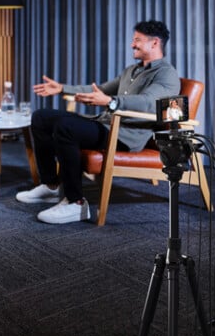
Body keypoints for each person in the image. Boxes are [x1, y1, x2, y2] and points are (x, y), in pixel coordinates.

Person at [15, 20, 180, 224]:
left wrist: (112, 102)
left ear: (155, 43)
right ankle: (51, 186)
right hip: (106, 125)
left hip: (124, 136)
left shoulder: (166, 74)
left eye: (137, 40)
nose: (132, 44)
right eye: (133, 39)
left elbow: (148, 103)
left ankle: (76, 203)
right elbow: (100, 90)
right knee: (41, 117)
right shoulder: (131, 70)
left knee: (65, 128)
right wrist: (62, 88)